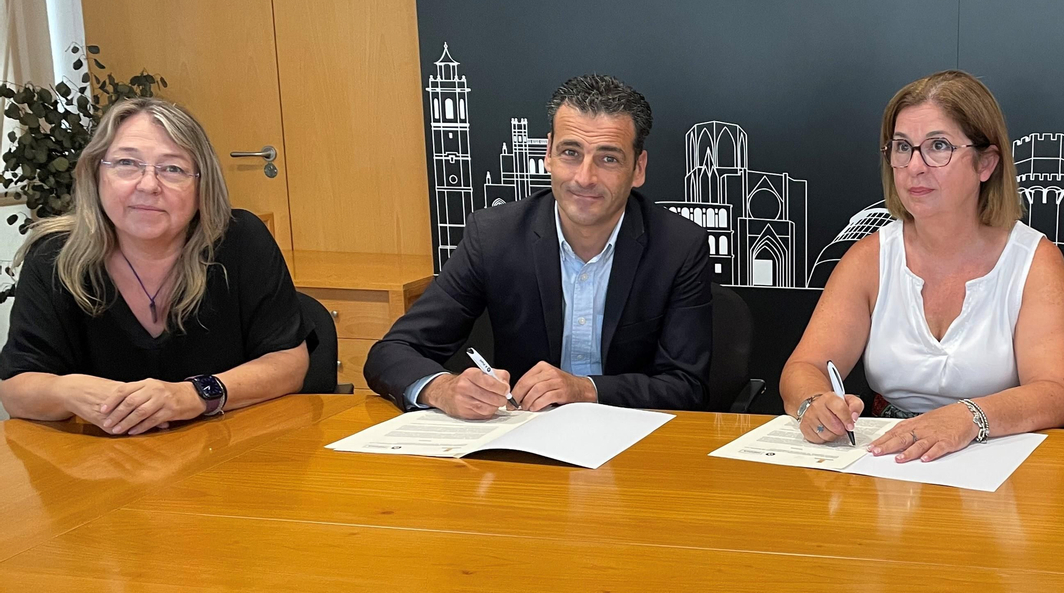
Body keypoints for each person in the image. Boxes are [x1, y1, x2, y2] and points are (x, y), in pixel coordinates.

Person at [365, 74, 712, 416]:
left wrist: (586, 389)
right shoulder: (493, 236)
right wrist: (442, 389)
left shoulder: (678, 246)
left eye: (608, 158)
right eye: (570, 152)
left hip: (632, 443)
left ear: (638, 168)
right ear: (548, 154)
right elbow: (392, 352)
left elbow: (686, 386)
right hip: (522, 437)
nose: (584, 178)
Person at [779, 70, 1064, 463]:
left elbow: (1055, 391)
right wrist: (813, 404)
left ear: (986, 163)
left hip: (995, 456)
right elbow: (805, 366)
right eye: (902, 147)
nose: (914, 167)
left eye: (938, 146)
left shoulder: (1034, 260)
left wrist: (966, 418)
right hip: (889, 457)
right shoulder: (869, 257)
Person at [0, 98, 311, 434]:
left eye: (172, 169)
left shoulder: (239, 240)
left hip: (226, 452)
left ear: (201, 185)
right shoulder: (54, 256)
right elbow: (17, 390)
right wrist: (69, 391)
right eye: (126, 164)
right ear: (96, 174)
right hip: (101, 465)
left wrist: (195, 395)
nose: (148, 185)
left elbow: (288, 364)